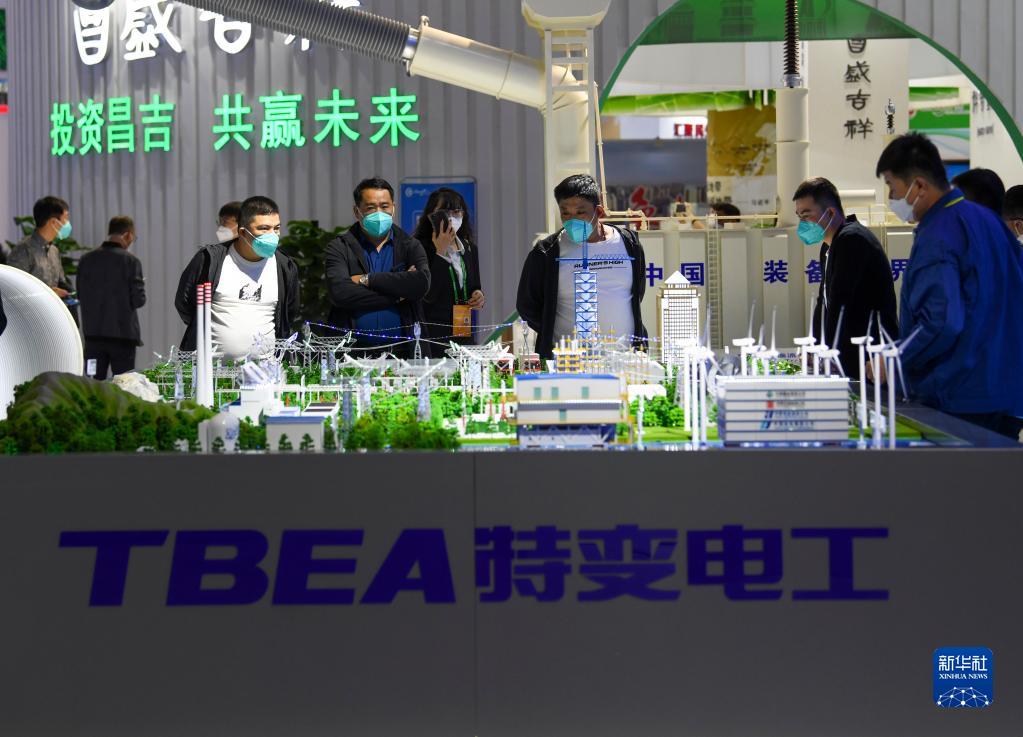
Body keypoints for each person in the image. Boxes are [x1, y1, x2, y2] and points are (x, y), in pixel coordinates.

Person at [876, 132, 1023, 439]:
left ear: (918, 185)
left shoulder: (939, 234)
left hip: (959, 395)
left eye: (891, 186)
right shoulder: (989, 221)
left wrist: (893, 360)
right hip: (1005, 393)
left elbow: (942, 322)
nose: (891, 197)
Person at [516, 174, 648, 359]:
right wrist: (553, 331)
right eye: (565, 213)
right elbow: (527, 305)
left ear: (599, 212)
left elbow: (636, 293)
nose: (572, 220)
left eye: (580, 213)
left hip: (625, 359)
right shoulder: (546, 252)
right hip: (567, 361)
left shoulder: (628, 243)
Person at [793, 177, 898, 377]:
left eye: (806, 215)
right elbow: (824, 302)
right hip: (847, 355)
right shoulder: (829, 246)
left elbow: (840, 302)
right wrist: (814, 345)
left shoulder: (852, 239)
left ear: (831, 213)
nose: (802, 223)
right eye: (799, 216)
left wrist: (825, 351)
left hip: (869, 356)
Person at [175, 196, 300, 359]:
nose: (272, 235)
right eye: (264, 228)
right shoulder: (210, 260)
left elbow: (289, 312)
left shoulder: (285, 267)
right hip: (211, 370)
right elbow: (185, 303)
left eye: (276, 228)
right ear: (242, 232)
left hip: (266, 370)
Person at [324, 177, 430, 357]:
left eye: (384, 206)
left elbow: (421, 284)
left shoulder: (410, 245)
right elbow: (340, 292)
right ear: (357, 212)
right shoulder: (340, 247)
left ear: (393, 208)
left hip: (403, 350)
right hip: (353, 352)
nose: (379, 213)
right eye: (371, 208)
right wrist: (398, 294)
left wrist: (368, 279)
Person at [412, 188, 485, 357]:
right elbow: (426, 296)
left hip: (463, 330)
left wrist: (478, 296)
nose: (451, 217)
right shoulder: (418, 247)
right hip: (432, 336)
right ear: (431, 216)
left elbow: (475, 286)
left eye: (456, 211)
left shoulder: (469, 247)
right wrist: (440, 252)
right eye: (444, 212)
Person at [76, 216, 147, 379]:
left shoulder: (86, 260)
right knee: (122, 384)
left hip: (93, 337)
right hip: (123, 338)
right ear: (128, 235)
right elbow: (139, 300)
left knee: (92, 384)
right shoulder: (131, 262)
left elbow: (80, 294)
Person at [8, 196, 74, 300]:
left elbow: (61, 282)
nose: (67, 223)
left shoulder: (54, 250)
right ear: (53, 222)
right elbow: (13, 290)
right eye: (65, 218)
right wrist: (48, 292)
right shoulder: (23, 250)